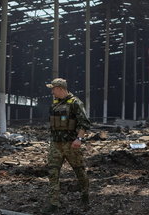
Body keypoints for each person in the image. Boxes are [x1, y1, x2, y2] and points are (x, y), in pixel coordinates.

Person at [41, 78, 91, 214]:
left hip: (71, 144)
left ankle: (85, 195)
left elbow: (84, 123)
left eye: (53, 89)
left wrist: (79, 139)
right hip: (55, 144)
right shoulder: (55, 103)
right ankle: (53, 203)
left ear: (61, 88)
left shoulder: (75, 103)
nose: (52, 92)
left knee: (79, 171)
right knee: (53, 172)